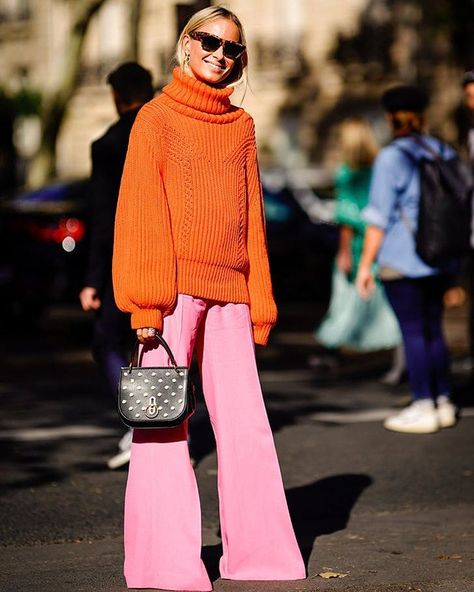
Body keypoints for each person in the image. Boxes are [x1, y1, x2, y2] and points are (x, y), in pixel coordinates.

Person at [112, 6, 305, 591]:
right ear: (187, 43)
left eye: (234, 49)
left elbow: (253, 220)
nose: (222, 54)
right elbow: (141, 212)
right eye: (212, 42)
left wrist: (261, 302)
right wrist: (145, 305)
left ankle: (262, 557)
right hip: (170, 295)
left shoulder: (241, 126)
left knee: (246, 425)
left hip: (232, 294)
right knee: (164, 429)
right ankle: (163, 565)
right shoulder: (155, 118)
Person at [356, 85, 458, 434]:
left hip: (403, 260)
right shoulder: (443, 151)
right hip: (442, 257)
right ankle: (443, 400)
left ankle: (422, 403)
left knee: (413, 332)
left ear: (389, 117)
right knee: (434, 331)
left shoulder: (392, 157)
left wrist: (365, 265)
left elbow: (378, 217)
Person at [79, 62, 155, 469]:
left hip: (122, 260)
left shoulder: (108, 145)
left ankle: (144, 424)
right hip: (171, 257)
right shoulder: (169, 130)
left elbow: (103, 216)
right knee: (162, 342)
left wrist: (92, 278)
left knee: (108, 341)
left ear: (116, 96)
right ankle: (165, 424)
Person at [314, 117, 403, 371]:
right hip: (381, 243)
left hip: (356, 246)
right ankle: (398, 360)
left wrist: (344, 253)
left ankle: (331, 349)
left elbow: (346, 220)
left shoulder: (347, 173)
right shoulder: (379, 169)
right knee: (385, 302)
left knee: (344, 302)